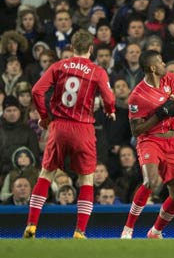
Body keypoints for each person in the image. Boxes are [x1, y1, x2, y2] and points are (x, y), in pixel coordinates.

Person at [24, 29, 116, 239]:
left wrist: (44, 117)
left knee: (46, 174)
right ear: (91, 49)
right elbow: (109, 99)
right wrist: (110, 111)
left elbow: (37, 91)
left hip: (59, 127)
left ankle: (31, 225)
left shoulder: (59, 66)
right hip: (83, 128)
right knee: (86, 179)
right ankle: (79, 231)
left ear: (72, 48)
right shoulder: (97, 71)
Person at [120, 50, 174, 239]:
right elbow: (136, 130)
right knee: (151, 181)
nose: (163, 63)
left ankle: (155, 231)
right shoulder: (137, 96)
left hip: (171, 141)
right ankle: (128, 229)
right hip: (150, 139)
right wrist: (160, 114)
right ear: (152, 68)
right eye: (160, 61)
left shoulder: (170, 79)